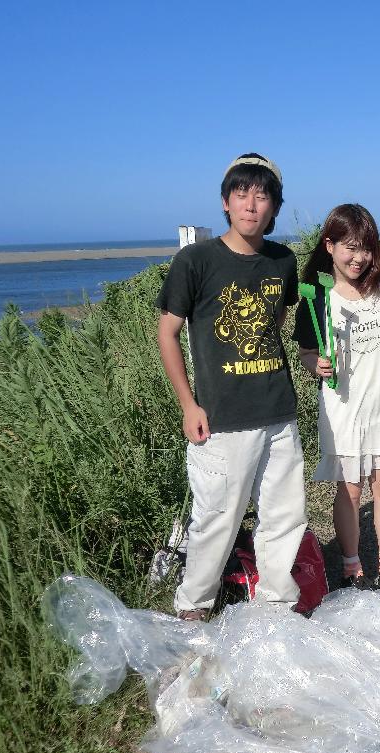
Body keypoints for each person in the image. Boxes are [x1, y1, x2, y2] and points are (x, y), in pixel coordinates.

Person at [156, 153, 307, 620]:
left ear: (274, 207)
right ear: (225, 202)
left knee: (285, 516)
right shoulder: (196, 260)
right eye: (241, 194)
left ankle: (276, 607)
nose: (250, 205)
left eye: (262, 196)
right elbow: (167, 332)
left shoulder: (283, 261)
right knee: (216, 519)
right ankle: (194, 606)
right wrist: (188, 404)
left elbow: (275, 324)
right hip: (221, 419)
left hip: (278, 412)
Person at [293, 204, 380, 594]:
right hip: (344, 408)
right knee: (349, 492)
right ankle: (352, 567)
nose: (359, 257)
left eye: (365, 247)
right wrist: (315, 364)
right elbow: (305, 352)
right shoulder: (316, 295)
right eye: (350, 247)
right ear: (329, 246)